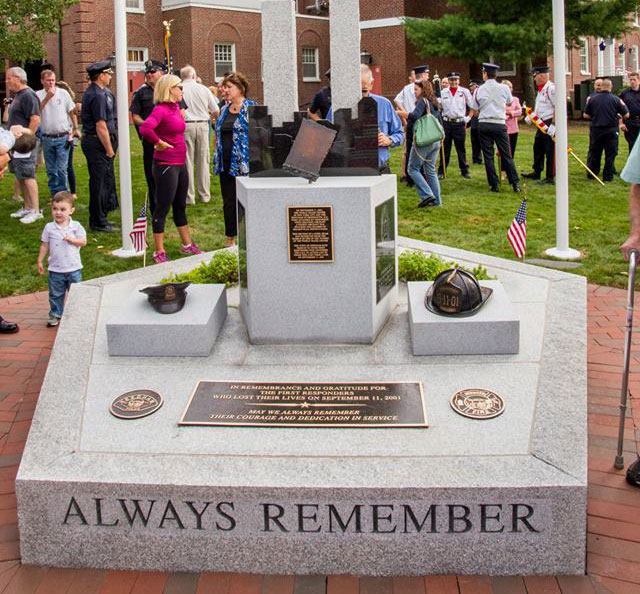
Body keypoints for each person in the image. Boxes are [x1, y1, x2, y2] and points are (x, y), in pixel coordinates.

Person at [139, 74, 204, 263]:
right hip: (165, 165)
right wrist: (158, 142)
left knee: (180, 206)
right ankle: (159, 251)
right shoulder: (160, 110)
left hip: (180, 163)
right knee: (162, 207)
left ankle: (186, 244)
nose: (182, 90)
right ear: (169, 89)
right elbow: (145, 129)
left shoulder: (175, 108)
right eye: (179, 87)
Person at [213, 71, 256, 247]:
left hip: (245, 165)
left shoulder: (252, 108)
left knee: (246, 201)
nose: (225, 90)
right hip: (225, 163)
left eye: (229, 87)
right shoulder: (223, 109)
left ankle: (250, 235)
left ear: (240, 88)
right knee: (229, 202)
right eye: (224, 87)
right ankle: (230, 237)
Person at [37, 192, 87, 327]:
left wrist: (72, 240)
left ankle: (77, 312)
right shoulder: (49, 227)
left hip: (74, 268)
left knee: (76, 292)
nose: (58, 212)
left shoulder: (75, 226)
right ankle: (56, 314)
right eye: (55, 209)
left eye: (62, 209)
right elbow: (44, 244)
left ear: (71, 211)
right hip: (56, 269)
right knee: (56, 294)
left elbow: (83, 242)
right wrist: (40, 260)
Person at [81, 60, 119, 232]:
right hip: (98, 143)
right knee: (99, 182)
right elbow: (100, 125)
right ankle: (98, 221)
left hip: (102, 141)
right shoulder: (97, 95)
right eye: (108, 74)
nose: (110, 76)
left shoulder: (103, 93)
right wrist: (109, 149)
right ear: (101, 75)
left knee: (105, 180)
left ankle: (103, 212)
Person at [470, 62, 520, 193]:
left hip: (484, 123)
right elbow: (509, 101)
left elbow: (474, 109)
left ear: (485, 74)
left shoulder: (478, 90)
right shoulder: (504, 88)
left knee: (488, 156)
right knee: (506, 154)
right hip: (499, 123)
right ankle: (515, 183)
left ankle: (494, 184)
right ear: (495, 74)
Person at [6, 67, 41, 224]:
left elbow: (35, 119)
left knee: (28, 176)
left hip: (25, 144)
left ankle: (35, 210)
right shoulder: (18, 95)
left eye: (9, 78)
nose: (7, 82)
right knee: (20, 175)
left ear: (18, 78)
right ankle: (27, 207)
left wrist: (27, 140)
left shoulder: (28, 95)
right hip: (16, 144)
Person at [180, 65, 220, 205]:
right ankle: (204, 195)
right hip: (203, 125)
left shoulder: (179, 89)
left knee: (188, 162)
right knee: (203, 161)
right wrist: (212, 117)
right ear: (193, 75)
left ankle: (189, 197)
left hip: (185, 126)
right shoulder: (203, 89)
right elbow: (216, 110)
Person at [130, 60, 166, 214]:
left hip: (169, 141)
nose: (149, 74)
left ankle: (168, 205)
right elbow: (135, 116)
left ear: (161, 73)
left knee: (169, 174)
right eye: (147, 72)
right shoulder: (141, 93)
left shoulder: (169, 90)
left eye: (153, 71)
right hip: (151, 141)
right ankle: (155, 208)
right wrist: (147, 125)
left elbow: (181, 111)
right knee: (152, 175)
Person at [36, 70, 79, 197]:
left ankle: (63, 194)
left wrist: (75, 128)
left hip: (63, 136)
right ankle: (54, 193)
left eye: (53, 80)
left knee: (62, 168)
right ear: (42, 81)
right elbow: (36, 112)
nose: (51, 83)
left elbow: (71, 112)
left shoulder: (63, 93)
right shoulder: (38, 95)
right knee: (51, 170)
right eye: (48, 80)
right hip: (47, 137)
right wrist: (47, 97)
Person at [584, 78, 628, 182]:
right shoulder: (616, 99)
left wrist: (595, 116)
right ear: (611, 87)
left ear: (602, 86)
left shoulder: (592, 99)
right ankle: (608, 177)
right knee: (610, 154)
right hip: (611, 131)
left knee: (595, 153)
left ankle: (592, 174)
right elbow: (626, 114)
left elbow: (585, 115)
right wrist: (617, 116)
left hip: (596, 130)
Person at [407, 80, 443, 207]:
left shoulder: (423, 101)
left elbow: (415, 116)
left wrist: (402, 114)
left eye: (416, 89)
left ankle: (427, 195)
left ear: (423, 90)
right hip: (435, 140)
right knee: (431, 171)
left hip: (424, 140)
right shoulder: (435, 102)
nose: (414, 92)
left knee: (412, 169)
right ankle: (437, 202)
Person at [522, 66, 555, 184]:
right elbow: (540, 107)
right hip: (541, 122)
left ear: (541, 75)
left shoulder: (551, 89)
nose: (534, 79)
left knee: (550, 150)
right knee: (538, 147)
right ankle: (537, 172)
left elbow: (558, 107)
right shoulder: (541, 89)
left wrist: (554, 125)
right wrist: (531, 117)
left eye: (535, 76)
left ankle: (550, 176)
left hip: (549, 122)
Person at [437, 72, 473, 178]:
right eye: (451, 80)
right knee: (444, 148)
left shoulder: (464, 91)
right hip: (446, 123)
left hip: (459, 123)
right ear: (448, 81)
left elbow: (473, 107)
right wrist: (438, 102)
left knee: (461, 148)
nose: (453, 82)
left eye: (455, 79)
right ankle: (442, 170)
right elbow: (439, 107)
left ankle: (464, 170)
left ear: (459, 80)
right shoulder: (443, 92)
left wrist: (468, 118)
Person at [56, 80, 79, 199]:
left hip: (67, 138)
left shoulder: (68, 105)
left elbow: (72, 120)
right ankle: (65, 190)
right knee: (63, 166)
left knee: (67, 166)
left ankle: (72, 191)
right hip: (66, 137)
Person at [501, 79, 522, 176]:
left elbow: (520, 111)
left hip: (513, 129)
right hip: (502, 128)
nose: (508, 89)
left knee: (511, 151)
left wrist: (511, 113)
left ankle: (510, 171)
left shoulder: (515, 99)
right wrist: (505, 114)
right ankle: (502, 171)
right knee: (502, 151)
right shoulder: (499, 99)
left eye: (510, 87)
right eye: (506, 87)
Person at [620, 72, 640, 153]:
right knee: (632, 146)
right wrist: (621, 123)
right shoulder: (624, 93)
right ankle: (632, 165)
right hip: (629, 123)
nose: (632, 81)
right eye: (630, 79)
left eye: (634, 80)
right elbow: (620, 109)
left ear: (638, 80)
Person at [468, 79, 483, 164]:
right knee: (474, 141)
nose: (471, 88)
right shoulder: (470, 95)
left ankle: (483, 157)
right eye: (470, 87)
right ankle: (476, 159)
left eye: (473, 86)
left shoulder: (481, 95)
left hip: (481, 121)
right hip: (474, 122)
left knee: (482, 141)